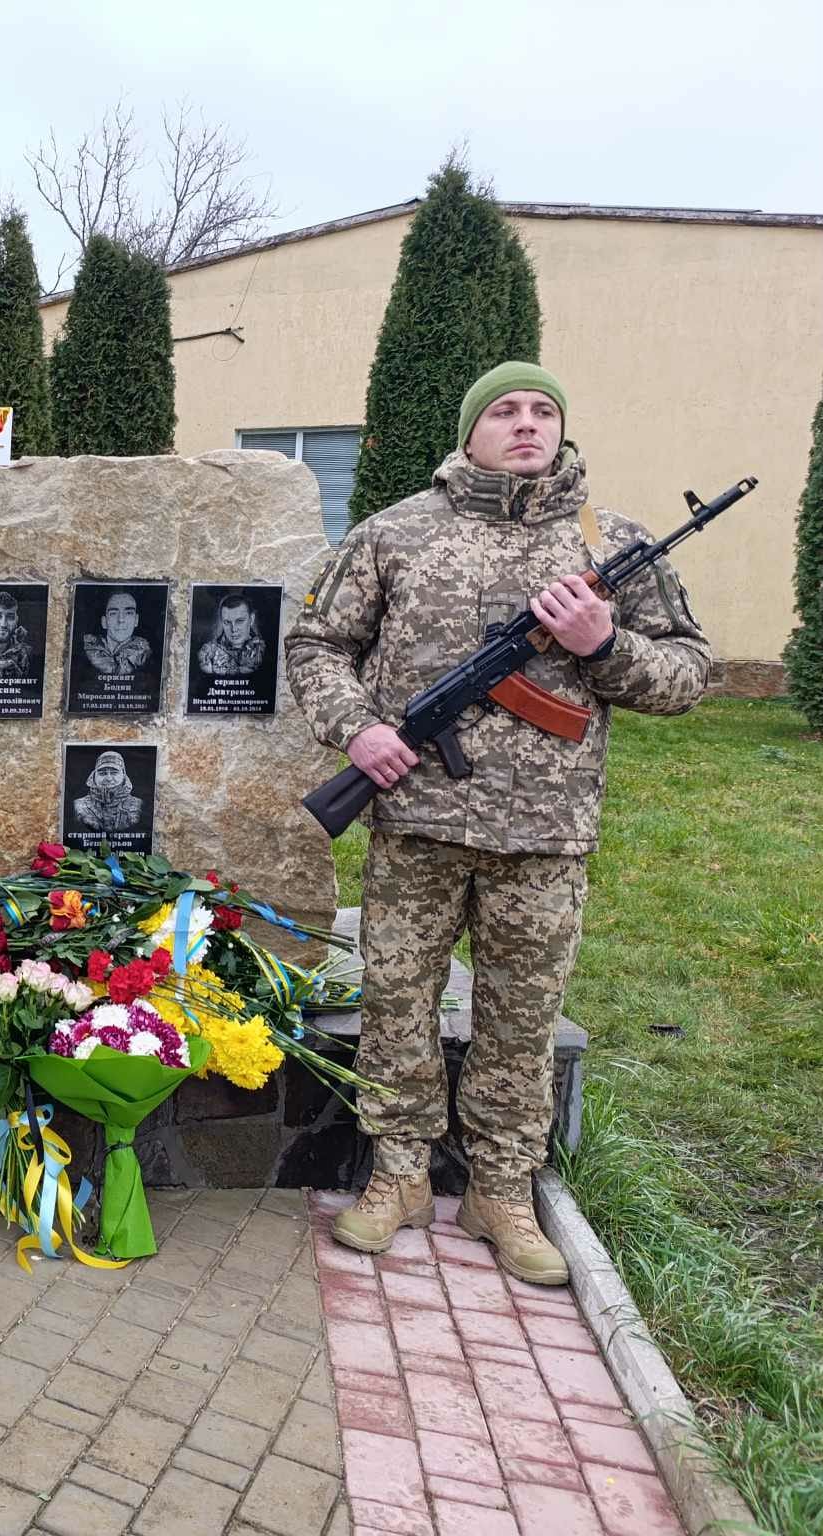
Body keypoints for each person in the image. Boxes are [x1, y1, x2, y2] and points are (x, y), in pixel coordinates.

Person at [284, 361, 710, 1284]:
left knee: (518, 1020)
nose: (527, 425)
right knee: (397, 1004)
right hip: (417, 822)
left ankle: (501, 1192)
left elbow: (686, 677)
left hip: (545, 836)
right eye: (506, 411)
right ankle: (395, 1175)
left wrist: (605, 644)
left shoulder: (614, 542)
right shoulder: (397, 532)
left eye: (543, 410)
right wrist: (358, 731)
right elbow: (318, 642)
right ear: (471, 430)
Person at [83, 590, 153, 678]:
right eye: (113, 613)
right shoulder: (89, 649)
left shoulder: (144, 654)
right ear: (104, 622)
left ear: (136, 620)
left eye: (128, 613)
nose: (121, 620)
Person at [71, 750, 144, 832]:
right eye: (102, 773)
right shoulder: (78, 806)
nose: (108, 778)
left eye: (114, 773)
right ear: (94, 776)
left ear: (123, 775)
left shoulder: (139, 806)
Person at [198, 591, 265, 676]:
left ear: (251, 619)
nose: (233, 629)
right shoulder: (208, 652)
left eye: (240, 621)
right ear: (222, 622)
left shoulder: (264, 650)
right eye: (227, 622)